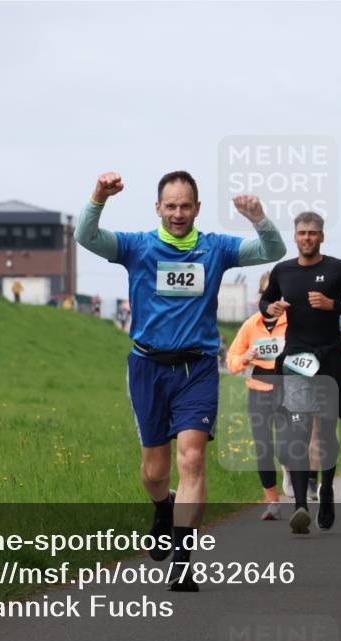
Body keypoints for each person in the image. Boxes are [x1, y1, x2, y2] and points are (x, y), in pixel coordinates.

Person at [75, 170, 286, 590]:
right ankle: (162, 506)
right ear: (157, 208)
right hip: (148, 368)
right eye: (170, 206)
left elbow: (273, 248)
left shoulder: (216, 249)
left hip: (197, 368)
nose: (177, 213)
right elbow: (87, 236)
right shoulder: (137, 247)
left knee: (191, 458)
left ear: (197, 209)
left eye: (185, 206)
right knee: (154, 472)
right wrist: (99, 196)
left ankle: (183, 559)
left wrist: (258, 217)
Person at [260, 211, 341, 533]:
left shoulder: (338, 269)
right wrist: (271, 308)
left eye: (313, 233)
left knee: (324, 432)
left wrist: (332, 305)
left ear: (322, 237)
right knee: (298, 431)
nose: (307, 238)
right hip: (296, 359)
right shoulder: (283, 270)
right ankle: (300, 507)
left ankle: (328, 489)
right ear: (295, 237)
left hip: (330, 359)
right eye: (302, 233)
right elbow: (265, 300)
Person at [226, 303, 288, 521]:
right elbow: (232, 360)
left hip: (287, 388)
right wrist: (245, 358)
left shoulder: (292, 321)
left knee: (286, 447)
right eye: (266, 295)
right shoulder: (250, 324)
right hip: (259, 391)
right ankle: (273, 503)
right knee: (263, 448)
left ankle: (288, 469)